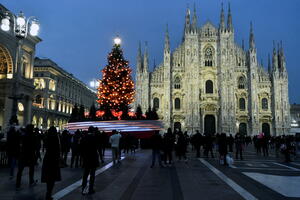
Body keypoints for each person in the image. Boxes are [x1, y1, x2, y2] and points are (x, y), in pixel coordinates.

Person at [41, 126, 61, 200]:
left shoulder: (47, 138)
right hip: (54, 159)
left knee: (48, 177)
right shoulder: (56, 138)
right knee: (52, 178)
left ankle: (48, 193)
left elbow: (45, 146)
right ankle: (48, 193)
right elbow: (58, 149)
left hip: (47, 158)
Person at [16, 124, 38, 189]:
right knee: (31, 169)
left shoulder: (23, 136)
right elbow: (35, 146)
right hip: (31, 155)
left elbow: (19, 142)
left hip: (23, 154)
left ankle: (18, 185)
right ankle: (31, 181)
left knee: (20, 170)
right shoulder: (33, 136)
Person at [81, 126, 99, 195]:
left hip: (86, 158)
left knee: (85, 174)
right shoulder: (95, 138)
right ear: (93, 131)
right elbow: (97, 147)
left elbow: (81, 148)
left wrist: (83, 156)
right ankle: (90, 189)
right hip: (93, 158)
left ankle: (83, 189)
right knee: (92, 175)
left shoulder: (84, 138)